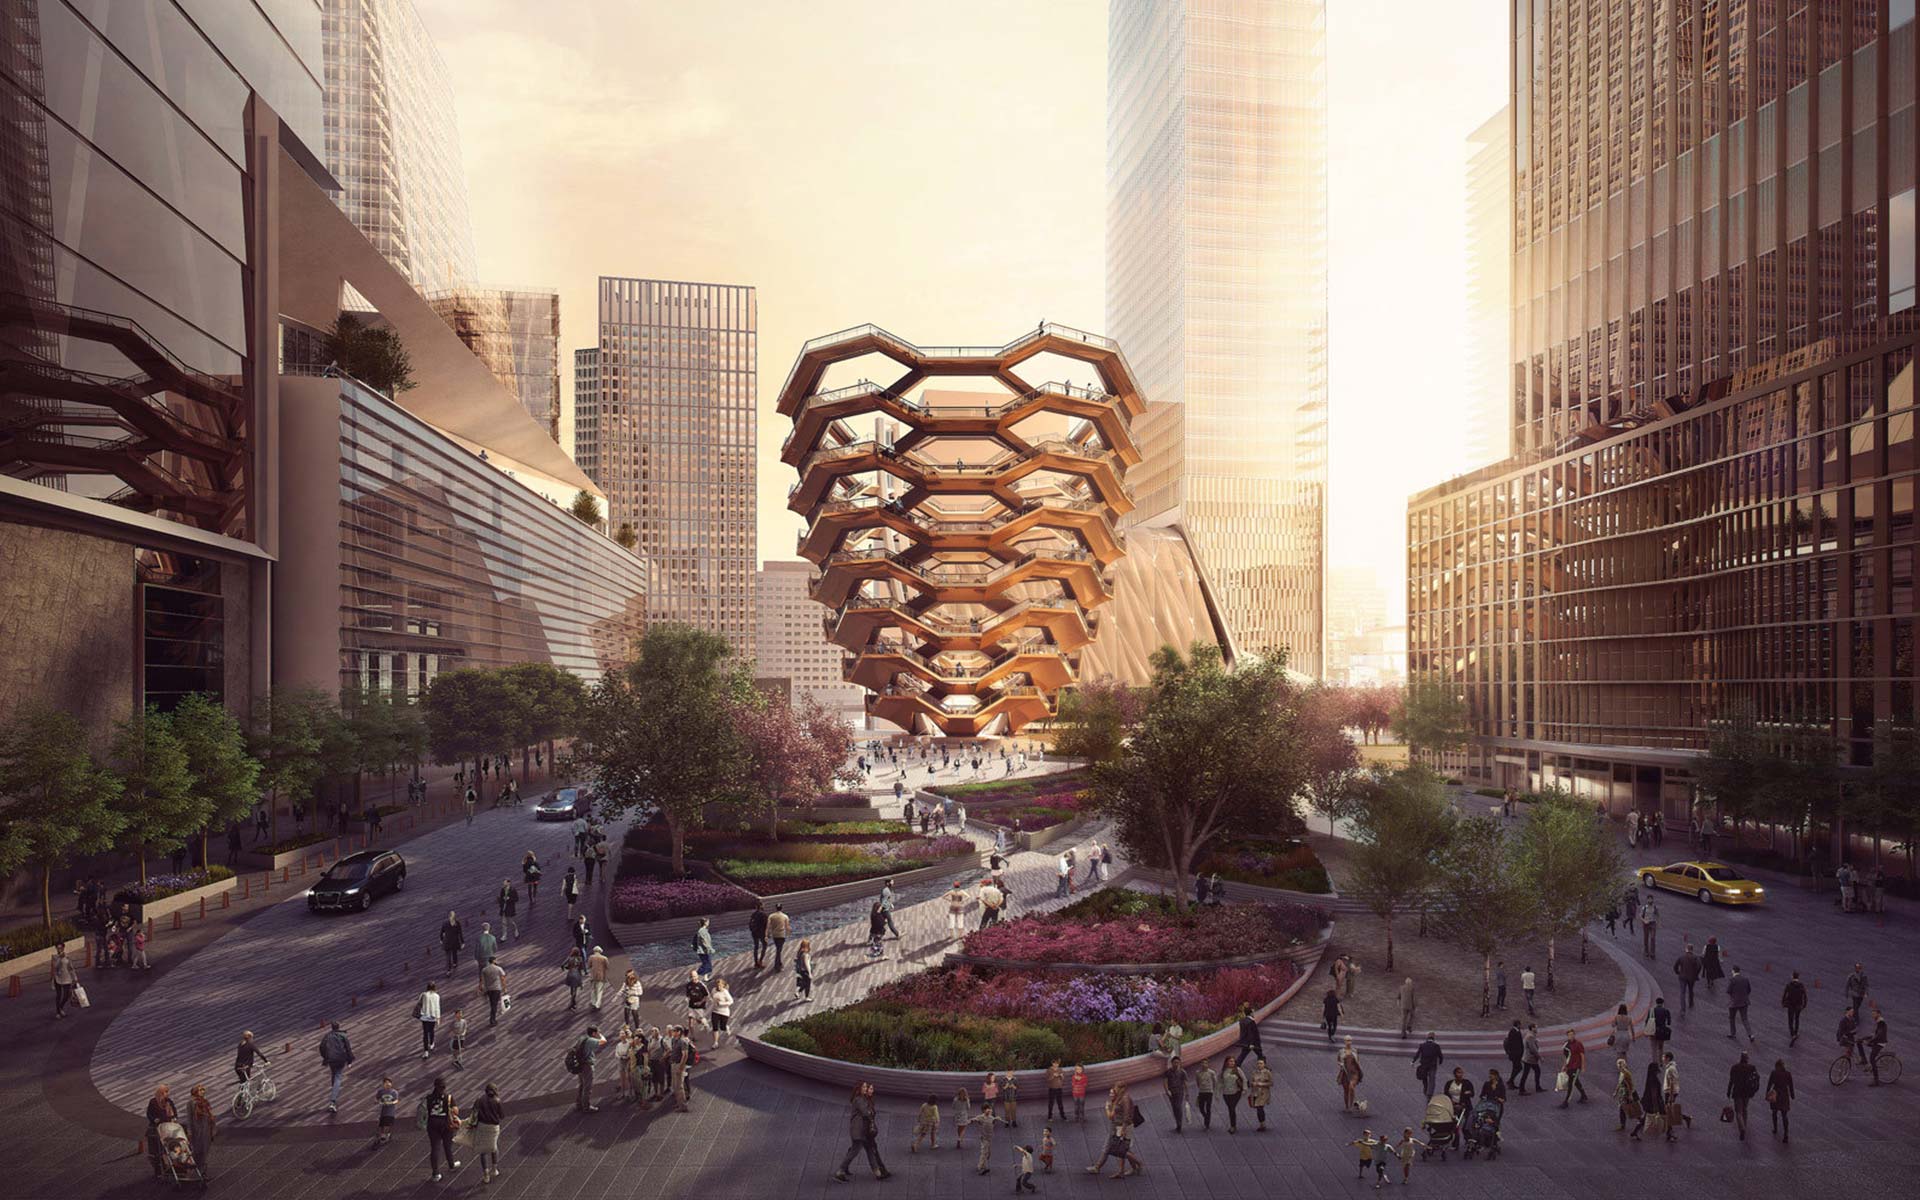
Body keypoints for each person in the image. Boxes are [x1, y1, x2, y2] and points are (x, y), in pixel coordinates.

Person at [834, 1081, 891, 1181]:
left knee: (869, 1150)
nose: (866, 1088)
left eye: (866, 1087)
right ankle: (840, 1171)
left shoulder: (863, 1099)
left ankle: (877, 1173)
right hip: (859, 1131)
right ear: (859, 1088)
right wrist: (870, 1112)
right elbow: (865, 1113)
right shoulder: (859, 1099)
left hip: (864, 1131)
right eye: (864, 1087)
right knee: (854, 1151)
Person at [423, 1076, 459, 1181]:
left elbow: (425, 1112)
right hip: (446, 1124)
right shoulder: (449, 1097)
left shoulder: (428, 1098)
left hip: (432, 1124)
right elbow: (455, 1111)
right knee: (447, 1146)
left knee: (435, 1148)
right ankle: (451, 1165)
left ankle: (435, 1173)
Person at [472, 1081, 506, 1183]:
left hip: (482, 1126)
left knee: (483, 1151)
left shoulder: (479, 1100)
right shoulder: (497, 1101)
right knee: (493, 1147)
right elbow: (502, 1116)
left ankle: (485, 1174)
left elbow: (474, 1112)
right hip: (493, 1128)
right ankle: (494, 1169)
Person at [317, 1020, 354, 1113]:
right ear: (339, 1027)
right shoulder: (343, 1036)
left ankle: (334, 1095)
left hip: (331, 1060)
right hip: (341, 1059)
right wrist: (349, 1060)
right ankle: (333, 1101)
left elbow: (321, 1047)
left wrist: (325, 1058)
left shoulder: (327, 1036)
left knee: (334, 1075)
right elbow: (348, 1049)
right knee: (338, 1077)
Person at [145, 1085, 177, 1179]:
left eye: (167, 1092)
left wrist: (174, 1118)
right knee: (157, 1151)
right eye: (164, 1092)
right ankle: (159, 1170)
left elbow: (174, 1112)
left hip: (167, 1128)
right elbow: (149, 1114)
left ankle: (171, 1168)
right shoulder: (153, 1102)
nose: (166, 1094)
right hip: (156, 1129)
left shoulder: (169, 1102)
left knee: (168, 1148)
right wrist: (154, 1119)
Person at [1726, 1051, 1760, 1140]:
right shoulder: (1752, 1068)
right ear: (1747, 1059)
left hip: (1737, 1092)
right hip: (1747, 1092)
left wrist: (1728, 1091)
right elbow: (1756, 1079)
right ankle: (1744, 1125)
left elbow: (1731, 1081)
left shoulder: (1735, 1067)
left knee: (1738, 1112)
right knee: (1745, 1109)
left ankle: (1742, 1128)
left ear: (1740, 1058)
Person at [574, 1025, 606, 1113]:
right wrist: (601, 1035)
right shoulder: (591, 1040)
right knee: (587, 1086)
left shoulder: (582, 1038)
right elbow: (603, 1042)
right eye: (597, 1032)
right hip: (587, 1065)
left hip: (580, 1064)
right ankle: (586, 1107)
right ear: (594, 1033)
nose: (598, 1033)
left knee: (581, 1085)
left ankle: (579, 1104)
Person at [1765, 1058, 1794, 1142]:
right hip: (1784, 1095)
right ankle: (1786, 1133)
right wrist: (1792, 1095)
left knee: (1774, 1112)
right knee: (1784, 1115)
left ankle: (1775, 1128)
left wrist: (1767, 1093)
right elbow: (1791, 1085)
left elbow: (1769, 1083)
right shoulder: (1788, 1074)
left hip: (1776, 1094)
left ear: (1777, 1066)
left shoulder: (1774, 1073)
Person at [1558, 1031, 1588, 1107]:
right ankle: (1584, 1095)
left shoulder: (1578, 1044)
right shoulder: (1566, 1044)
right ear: (1567, 1036)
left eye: (1572, 1034)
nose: (1571, 1036)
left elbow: (1582, 1055)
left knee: (1571, 1083)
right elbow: (1565, 1056)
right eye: (1569, 1035)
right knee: (1576, 1081)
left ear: (1574, 1035)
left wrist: (1583, 1066)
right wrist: (1564, 1066)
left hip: (1576, 1066)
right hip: (1569, 1066)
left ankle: (1566, 1102)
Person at [1726, 964, 1755, 1041]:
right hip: (1744, 1002)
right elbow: (1749, 990)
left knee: (1732, 1018)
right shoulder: (1745, 979)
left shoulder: (1732, 980)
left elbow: (1728, 991)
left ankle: (1733, 1033)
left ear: (1733, 971)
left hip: (1734, 1002)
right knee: (1745, 1019)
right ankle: (1750, 1034)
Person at [1231, 1002, 1265, 1067]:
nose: (1254, 1013)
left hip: (1245, 1041)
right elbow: (1251, 1033)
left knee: (1243, 1054)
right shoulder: (1251, 1022)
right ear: (1250, 1013)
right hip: (1253, 1042)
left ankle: (1237, 1065)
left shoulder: (1242, 1021)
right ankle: (1263, 1065)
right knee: (1259, 1053)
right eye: (1253, 1012)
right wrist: (1251, 1043)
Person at [1413, 1032, 1444, 1098]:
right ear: (1434, 1038)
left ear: (1427, 1037)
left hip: (1424, 1064)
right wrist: (1440, 1062)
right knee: (1432, 1079)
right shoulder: (1436, 1046)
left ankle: (1425, 1088)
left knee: (1424, 1077)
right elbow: (1440, 1055)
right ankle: (1430, 1093)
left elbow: (1417, 1054)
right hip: (1432, 1065)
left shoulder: (1422, 1045)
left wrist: (1413, 1061)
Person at [1781, 970, 1809, 1044]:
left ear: (1792, 976)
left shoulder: (1789, 984)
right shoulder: (1801, 985)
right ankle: (1796, 1032)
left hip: (1790, 1005)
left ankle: (1792, 1033)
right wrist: (1804, 1004)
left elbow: (1785, 994)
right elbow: (1805, 995)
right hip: (1798, 1005)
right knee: (1797, 1018)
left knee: (1790, 1020)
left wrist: (1783, 1003)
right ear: (1798, 977)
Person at [1337, 1037, 1363, 1111]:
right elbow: (1338, 1060)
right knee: (1346, 1090)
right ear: (1344, 1041)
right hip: (1345, 1073)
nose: (1349, 1042)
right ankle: (1347, 1106)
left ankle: (1351, 1105)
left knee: (1351, 1087)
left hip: (1354, 1073)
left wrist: (1359, 1069)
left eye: (1350, 1040)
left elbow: (1357, 1061)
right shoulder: (1341, 1051)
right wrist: (1340, 1064)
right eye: (1348, 1040)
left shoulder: (1354, 1051)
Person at [51, 942, 77, 1019]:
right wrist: (60, 958)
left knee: (67, 995)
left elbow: (71, 968)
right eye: (58, 948)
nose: (59, 949)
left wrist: (75, 978)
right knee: (58, 995)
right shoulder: (54, 957)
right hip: (58, 978)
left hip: (67, 978)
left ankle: (61, 1007)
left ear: (63, 948)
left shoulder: (68, 956)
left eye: (61, 948)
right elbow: (55, 967)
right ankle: (58, 1012)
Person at [1220, 1057, 1246, 1132]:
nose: (1232, 1063)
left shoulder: (1237, 1070)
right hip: (1226, 1092)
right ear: (1227, 1062)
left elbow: (1244, 1079)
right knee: (1230, 1108)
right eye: (1230, 1061)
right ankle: (1233, 1125)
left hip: (1236, 1092)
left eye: (1233, 1061)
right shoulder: (1224, 1070)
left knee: (1232, 1108)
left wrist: (1244, 1089)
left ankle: (1233, 1126)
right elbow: (1221, 1081)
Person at [1673, 943, 1701, 1011]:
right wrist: (1696, 974)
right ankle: (1691, 1003)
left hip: (1682, 977)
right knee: (1691, 990)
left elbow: (1675, 966)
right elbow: (1699, 966)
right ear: (1692, 949)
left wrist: (1678, 972)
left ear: (1686, 949)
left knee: (1682, 992)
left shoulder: (1681, 957)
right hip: (1691, 977)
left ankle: (1683, 1008)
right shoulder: (1695, 958)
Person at [1249, 1056, 1273, 1131]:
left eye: (1261, 1063)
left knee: (1260, 1107)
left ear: (1264, 1064)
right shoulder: (1254, 1072)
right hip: (1256, 1092)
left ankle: (1262, 1124)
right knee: (1258, 1108)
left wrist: (1261, 1084)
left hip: (1263, 1093)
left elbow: (1271, 1083)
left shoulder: (1267, 1072)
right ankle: (1261, 1123)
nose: (1259, 1065)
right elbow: (1251, 1081)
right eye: (1258, 1063)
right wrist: (1252, 1084)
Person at [1162, 1059, 1187, 1131]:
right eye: (1175, 1063)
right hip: (1171, 1093)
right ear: (1172, 1063)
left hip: (1180, 1092)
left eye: (1178, 1063)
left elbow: (1185, 1082)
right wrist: (1167, 1091)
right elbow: (1165, 1082)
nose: (1176, 1064)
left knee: (1178, 1107)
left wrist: (1187, 1092)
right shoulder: (1167, 1072)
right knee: (1174, 1108)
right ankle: (1177, 1121)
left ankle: (1180, 1124)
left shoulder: (1182, 1072)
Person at [481, 957, 507, 1026]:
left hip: (489, 989)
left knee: (492, 1003)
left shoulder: (484, 969)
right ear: (494, 961)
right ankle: (492, 1019)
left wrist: (482, 989)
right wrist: (504, 988)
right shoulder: (498, 968)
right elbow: (503, 978)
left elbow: (482, 980)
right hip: (496, 988)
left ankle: (493, 1018)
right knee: (494, 1005)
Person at [1519, 1023, 1543, 1095]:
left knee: (1528, 1073)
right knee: (1530, 1073)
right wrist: (1540, 1057)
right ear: (1532, 1028)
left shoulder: (1530, 1035)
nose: (1537, 1029)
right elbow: (1533, 1049)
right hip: (1530, 1059)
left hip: (1528, 1058)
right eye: (1536, 1028)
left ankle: (1536, 1087)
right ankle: (1523, 1089)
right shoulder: (1530, 1036)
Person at [710, 978, 734, 1048]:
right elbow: (712, 997)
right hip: (715, 1011)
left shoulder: (725, 992)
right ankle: (715, 1043)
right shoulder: (713, 990)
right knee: (715, 1027)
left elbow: (731, 1001)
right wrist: (712, 1001)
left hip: (724, 1012)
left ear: (723, 985)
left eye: (720, 986)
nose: (719, 987)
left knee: (722, 1027)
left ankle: (726, 1027)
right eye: (717, 986)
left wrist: (721, 1003)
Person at [1648, 995, 1673, 1062]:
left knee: (1654, 1047)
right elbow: (1669, 1022)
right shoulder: (1666, 1011)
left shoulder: (1652, 1010)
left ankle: (1654, 1061)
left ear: (1656, 1003)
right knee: (1661, 1047)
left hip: (1653, 1030)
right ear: (1662, 1003)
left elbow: (1647, 1020)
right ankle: (1661, 1061)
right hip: (1662, 1031)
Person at [438, 911, 464, 977]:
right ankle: (455, 963)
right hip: (455, 941)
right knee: (454, 952)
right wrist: (462, 942)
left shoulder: (445, 923)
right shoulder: (457, 923)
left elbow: (441, 932)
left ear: (449, 916)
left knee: (448, 957)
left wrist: (441, 940)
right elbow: (460, 933)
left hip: (447, 942)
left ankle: (448, 970)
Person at [1503, 1021, 1526, 1092]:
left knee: (1515, 1067)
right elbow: (1514, 1044)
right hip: (1515, 1054)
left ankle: (1511, 1081)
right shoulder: (1513, 1032)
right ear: (1518, 1024)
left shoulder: (1516, 1031)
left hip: (1516, 1054)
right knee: (1519, 1067)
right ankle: (1510, 1081)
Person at [768, 903, 792, 969]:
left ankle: (779, 962)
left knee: (778, 948)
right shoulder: (785, 916)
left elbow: (768, 926)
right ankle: (777, 965)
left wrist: (767, 934)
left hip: (774, 935)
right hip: (781, 935)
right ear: (781, 908)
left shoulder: (771, 916)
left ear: (776, 908)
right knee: (779, 950)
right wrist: (789, 932)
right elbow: (787, 926)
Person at [376, 1077, 399, 1144]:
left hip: (390, 1111)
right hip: (383, 1111)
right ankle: (383, 1135)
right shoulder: (381, 1091)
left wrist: (391, 1103)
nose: (387, 1084)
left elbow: (396, 1100)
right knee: (382, 1123)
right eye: (386, 1083)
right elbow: (377, 1099)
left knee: (388, 1123)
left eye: (389, 1083)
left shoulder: (394, 1092)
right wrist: (380, 1102)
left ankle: (387, 1134)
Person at [496, 878, 519, 942]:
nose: (504, 884)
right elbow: (501, 898)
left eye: (505, 882)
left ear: (509, 883)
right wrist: (501, 902)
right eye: (504, 882)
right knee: (503, 923)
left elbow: (516, 899)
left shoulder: (513, 890)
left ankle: (516, 931)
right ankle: (504, 936)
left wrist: (509, 898)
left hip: (510, 908)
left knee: (511, 922)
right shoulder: (502, 889)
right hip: (503, 908)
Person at [749, 902, 770, 968]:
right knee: (765, 946)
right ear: (761, 906)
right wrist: (767, 934)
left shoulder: (753, 914)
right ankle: (760, 961)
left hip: (754, 933)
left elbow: (750, 924)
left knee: (756, 947)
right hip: (762, 933)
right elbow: (766, 925)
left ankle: (756, 963)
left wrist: (753, 930)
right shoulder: (764, 914)